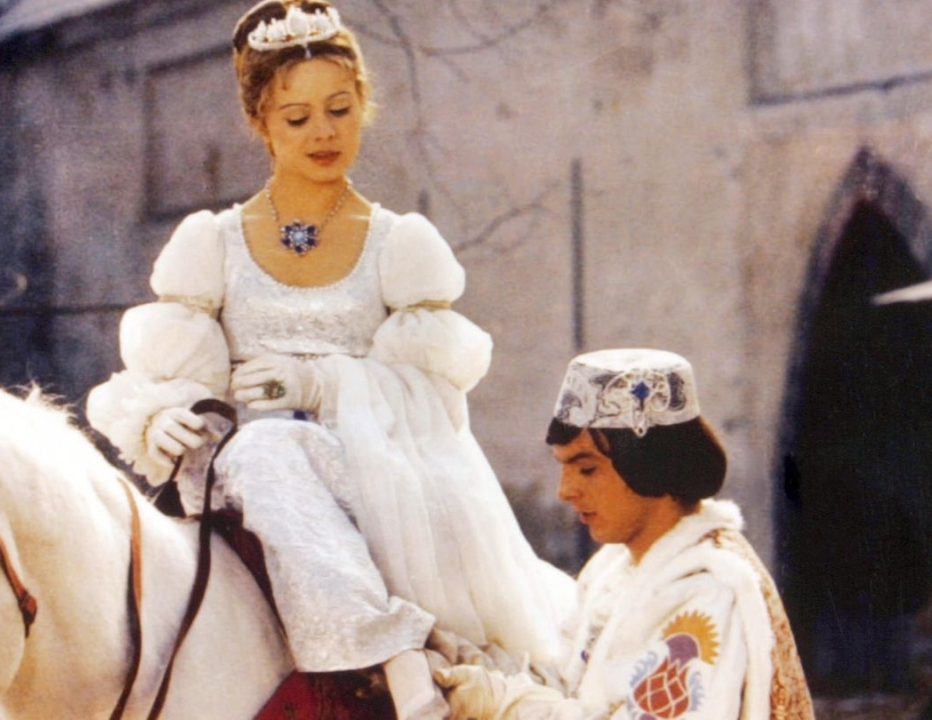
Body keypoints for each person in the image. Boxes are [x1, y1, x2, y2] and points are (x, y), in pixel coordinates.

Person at [85, 1, 575, 717]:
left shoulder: (398, 245)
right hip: (248, 483)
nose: (324, 132)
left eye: (340, 110)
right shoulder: (213, 243)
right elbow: (173, 374)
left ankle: (398, 656)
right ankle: (396, 654)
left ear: (363, 107)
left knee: (272, 448)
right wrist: (161, 415)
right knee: (264, 450)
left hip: (374, 474)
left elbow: (436, 398)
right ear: (260, 121)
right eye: (298, 117)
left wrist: (321, 383)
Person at [435, 348, 814, 719]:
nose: (565, 491)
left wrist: (503, 704)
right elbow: (567, 686)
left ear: (651, 465)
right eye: (564, 468)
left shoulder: (709, 590)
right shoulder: (612, 568)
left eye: (587, 469)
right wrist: (463, 662)